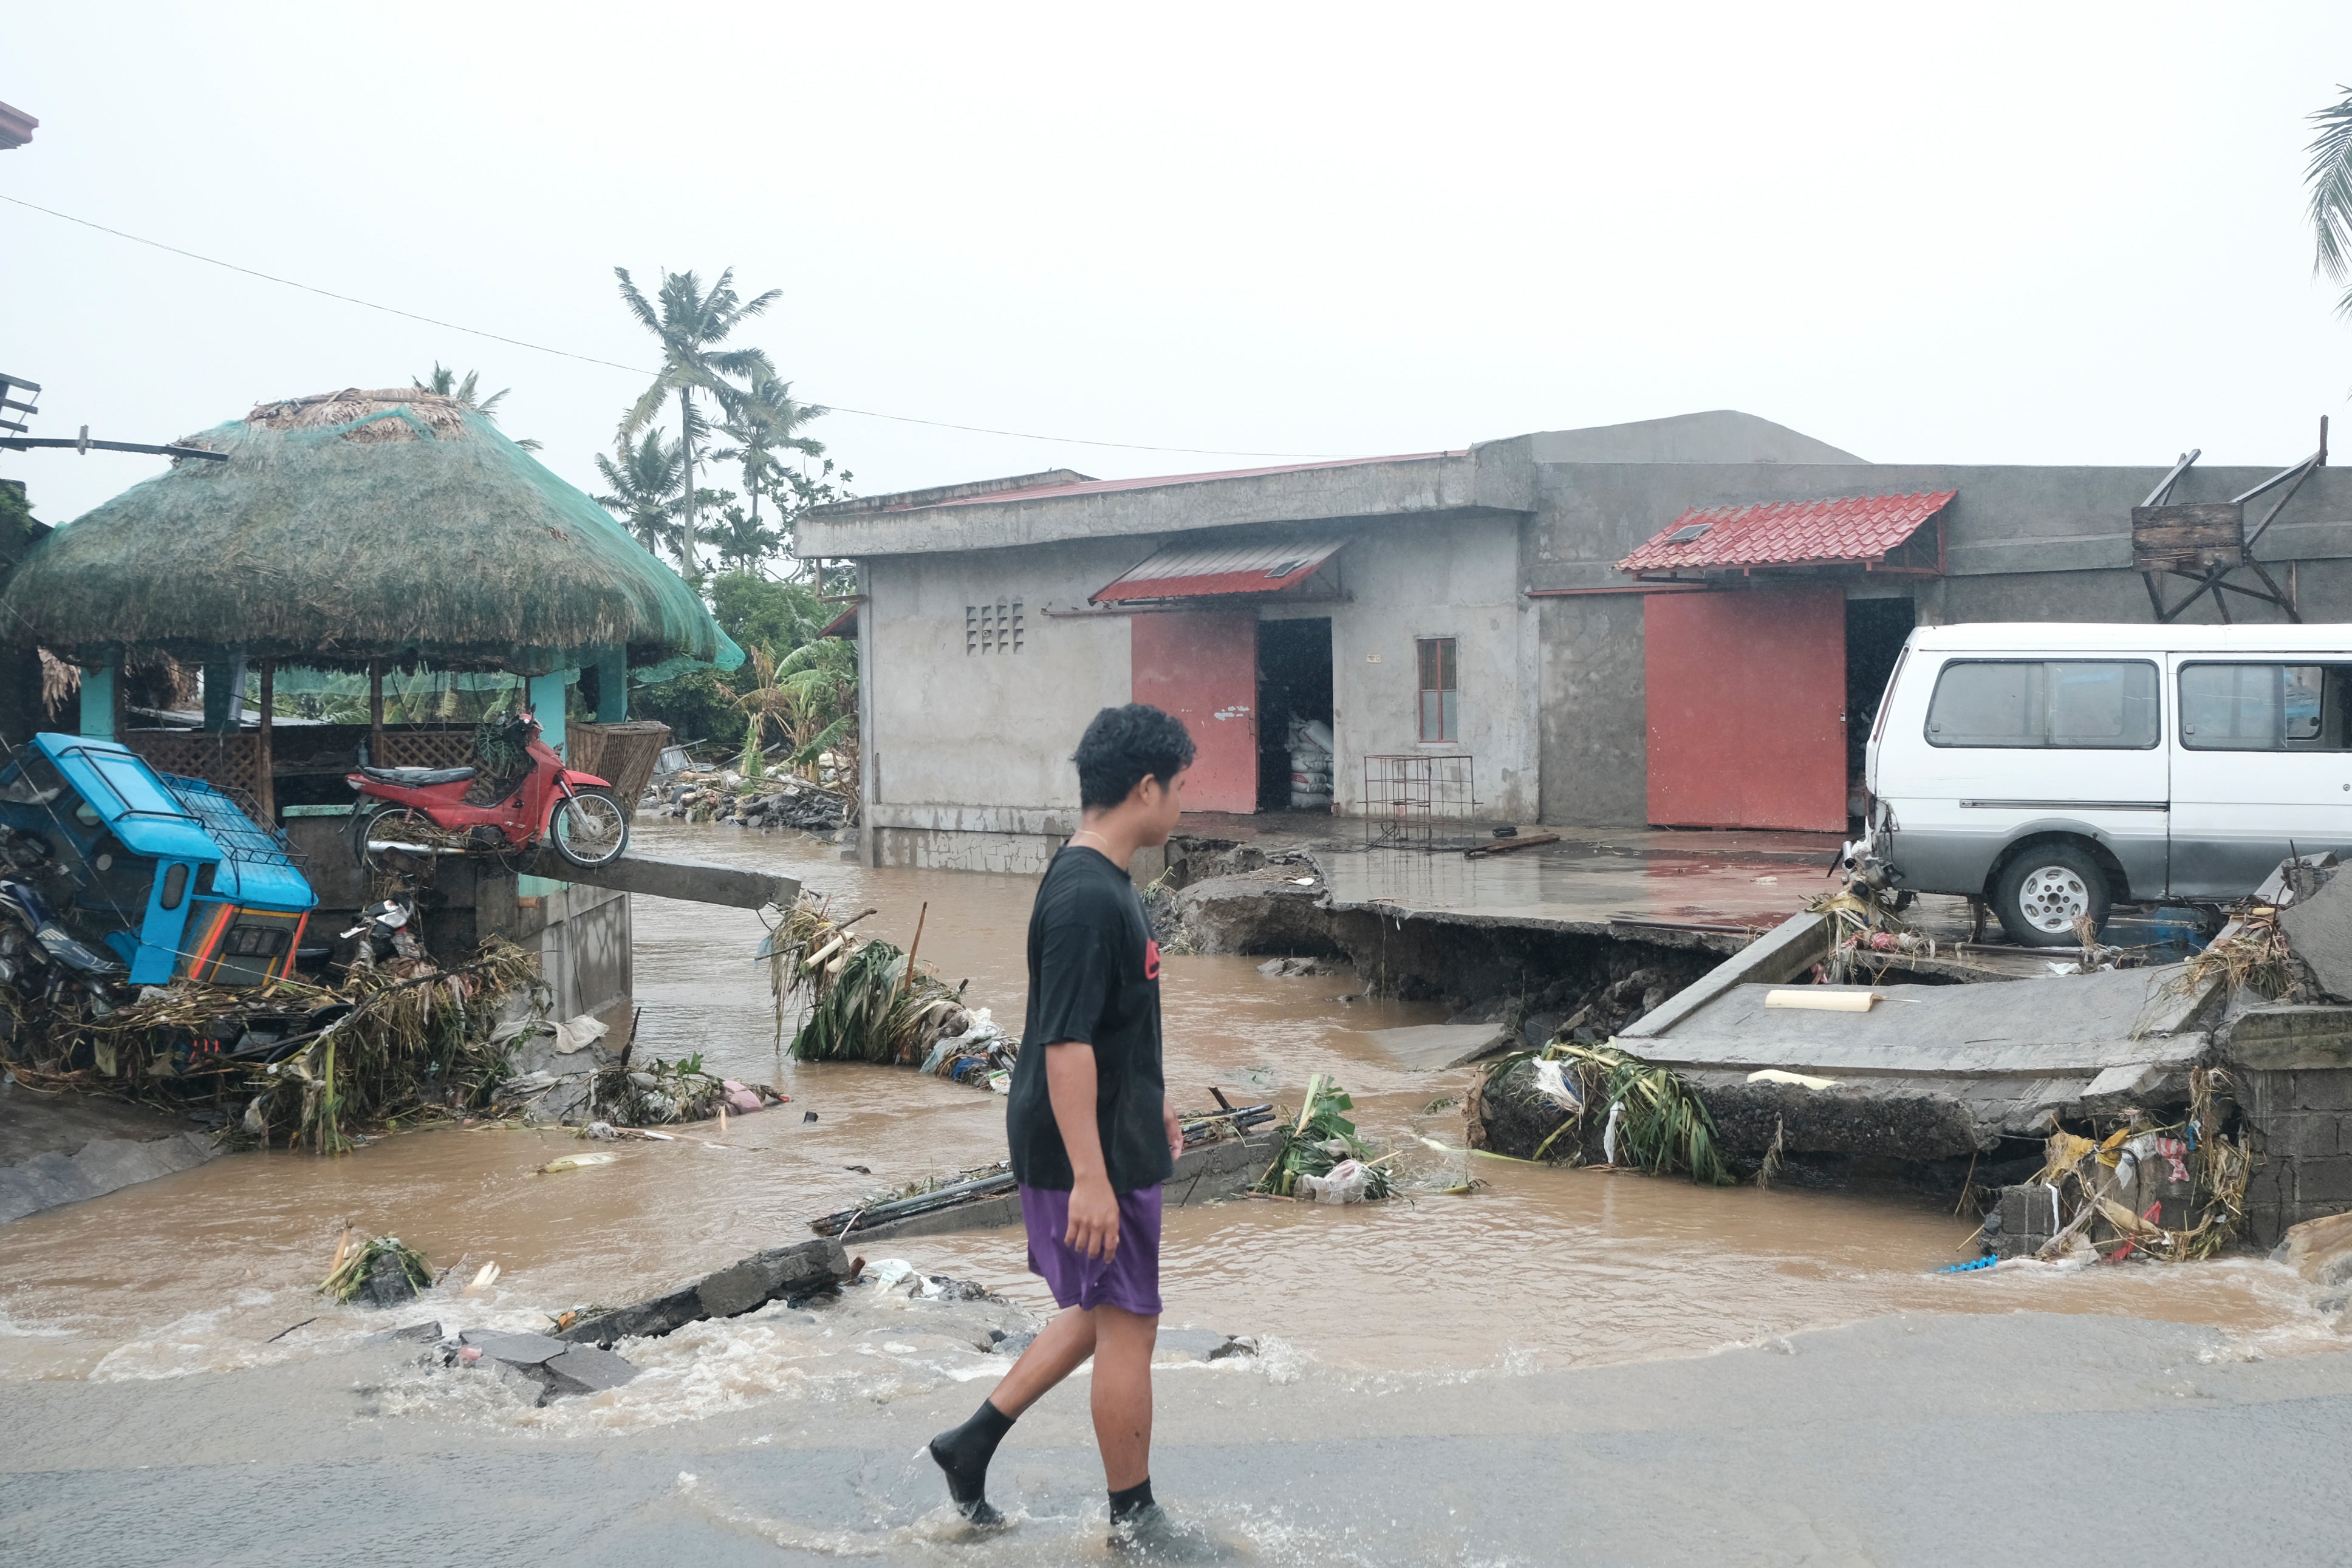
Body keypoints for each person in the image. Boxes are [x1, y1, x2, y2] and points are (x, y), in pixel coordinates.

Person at [928, 702, 1203, 1554]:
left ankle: (970, 1442)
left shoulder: (1111, 883)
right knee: (1129, 1321)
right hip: (1087, 1149)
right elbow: (1065, 1042)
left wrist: (1152, 1092)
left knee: (1106, 1306)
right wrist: (1089, 1173)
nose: (1185, 805)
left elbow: (1112, 1022)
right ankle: (1135, 1519)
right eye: (1181, 787)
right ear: (1146, 786)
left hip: (1113, 1132)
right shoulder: (1087, 895)